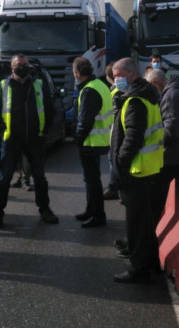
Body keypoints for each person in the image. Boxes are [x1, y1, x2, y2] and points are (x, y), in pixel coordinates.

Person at [0, 54, 59, 229]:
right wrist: (3, 131)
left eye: (26, 64)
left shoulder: (38, 85)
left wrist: (44, 130)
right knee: (4, 178)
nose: (24, 67)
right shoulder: (3, 86)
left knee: (40, 178)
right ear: (12, 68)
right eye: (20, 65)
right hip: (12, 140)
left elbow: (49, 108)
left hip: (35, 139)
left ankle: (45, 210)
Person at [110, 57, 164, 283]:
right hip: (147, 166)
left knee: (136, 223)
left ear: (131, 74)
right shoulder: (144, 94)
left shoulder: (135, 100)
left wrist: (120, 161)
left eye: (118, 76)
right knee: (146, 220)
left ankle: (138, 267)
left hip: (136, 168)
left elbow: (133, 136)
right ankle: (151, 261)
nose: (115, 81)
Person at [146, 68, 179, 223]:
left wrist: (150, 138)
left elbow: (171, 131)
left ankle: (144, 240)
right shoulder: (178, 93)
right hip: (177, 155)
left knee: (152, 202)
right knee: (154, 202)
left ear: (155, 83)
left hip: (169, 158)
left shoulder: (171, 96)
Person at [72, 57, 112, 228]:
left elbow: (85, 121)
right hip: (99, 140)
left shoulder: (89, 90)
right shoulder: (100, 85)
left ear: (77, 73)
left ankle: (98, 215)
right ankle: (91, 210)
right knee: (91, 180)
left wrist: (78, 139)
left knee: (92, 180)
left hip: (91, 142)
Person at [102, 62, 120, 201]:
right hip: (115, 132)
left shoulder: (114, 92)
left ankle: (114, 187)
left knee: (113, 160)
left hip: (115, 133)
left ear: (109, 77)